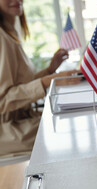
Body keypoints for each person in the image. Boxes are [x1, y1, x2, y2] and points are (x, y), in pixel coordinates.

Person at [0, 0, 81, 158]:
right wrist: (47, 81)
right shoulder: (1, 37)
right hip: (7, 129)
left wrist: (50, 70)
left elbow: (20, 84)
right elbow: (3, 99)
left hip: (22, 119)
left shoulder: (11, 31)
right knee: (67, 127)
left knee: (68, 119)